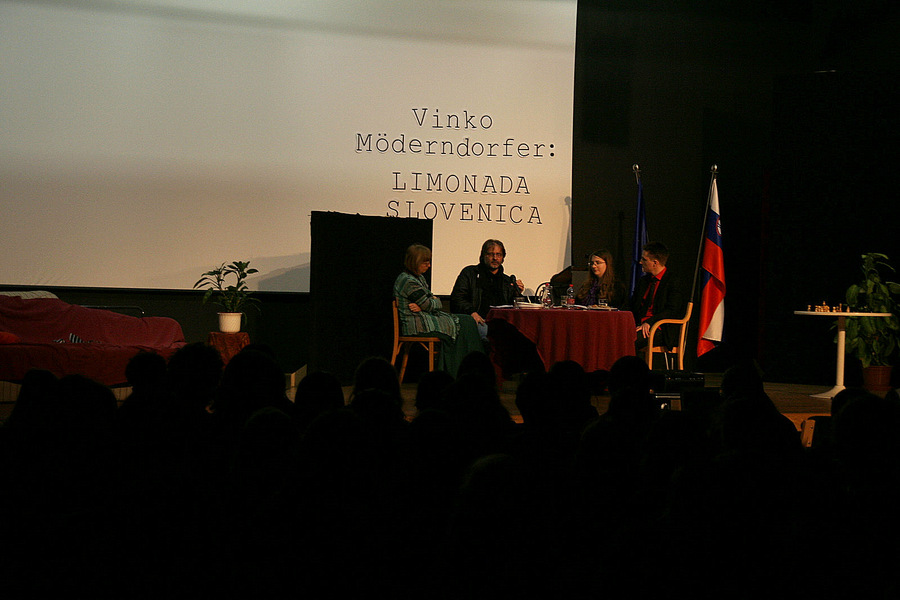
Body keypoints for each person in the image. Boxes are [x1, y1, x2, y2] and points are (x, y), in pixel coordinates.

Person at [393, 244, 483, 377]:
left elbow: (429, 303)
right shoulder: (407, 281)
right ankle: (456, 373)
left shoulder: (419, 278)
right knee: (464, 323)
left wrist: (428, 303)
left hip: (427, 317)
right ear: (415, 262)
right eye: (425, 262)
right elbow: (430, 304)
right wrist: (432, 302)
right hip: (418, 324)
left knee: (467, 320)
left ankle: (472, 370)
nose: (429, 265)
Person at [450, 239, 524, 338]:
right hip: (478, 320)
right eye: (490, 254)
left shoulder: (507, 280)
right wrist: (471, 312)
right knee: (488, 332)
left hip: (502, 323)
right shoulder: (469, 273)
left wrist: (517, 293)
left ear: (503, 257)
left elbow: (513, 308)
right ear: (483, 255)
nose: (495, 258)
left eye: (498, 254)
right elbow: (457, 299)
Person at [630, 241, 686, 351]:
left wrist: (650, 322)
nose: (640, 262)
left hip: (661, 328)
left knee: (629, 341)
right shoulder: (643, 281)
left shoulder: (673, 281)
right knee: (616, 337)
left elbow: (672, 310)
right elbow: (633, 305)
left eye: (644, 260)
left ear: (655, 263)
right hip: (639, 325)